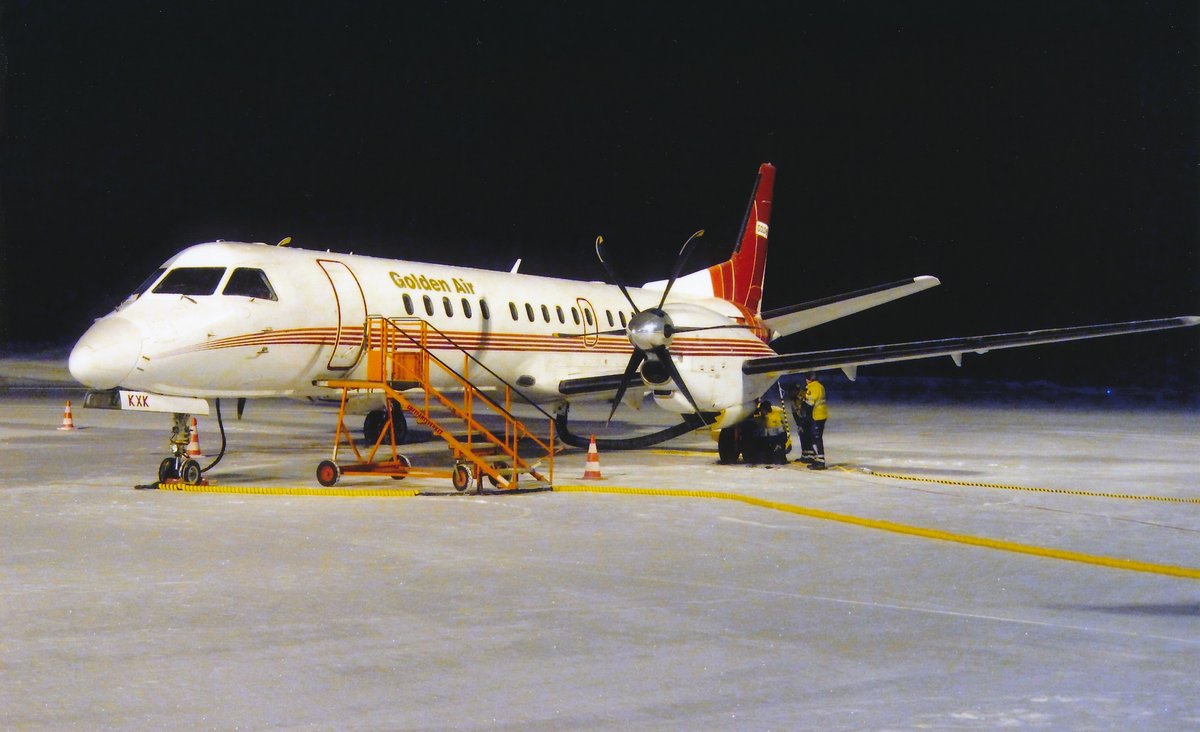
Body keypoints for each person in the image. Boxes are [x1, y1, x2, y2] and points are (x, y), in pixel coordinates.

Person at [802, 372, 828, 470]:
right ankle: (818, 460)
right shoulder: (820, 386)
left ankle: (820, 462)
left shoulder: (812, 388)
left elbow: (810, 403)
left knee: (816, 438)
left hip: (817, 416)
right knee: (816, 438)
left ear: (808, 379)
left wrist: (803, 400)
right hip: (821, 414)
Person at [786, 383, 815, 464]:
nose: (790, 394)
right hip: (801, 419)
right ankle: (805, 456)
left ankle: (811, 456)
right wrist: (799, 424)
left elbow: (809, 408)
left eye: (791, 391)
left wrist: (806, 422)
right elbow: (794, 413)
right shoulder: (793, 399)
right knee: (802, 436)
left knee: (808, 437)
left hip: (808, 418)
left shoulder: (804, 395)